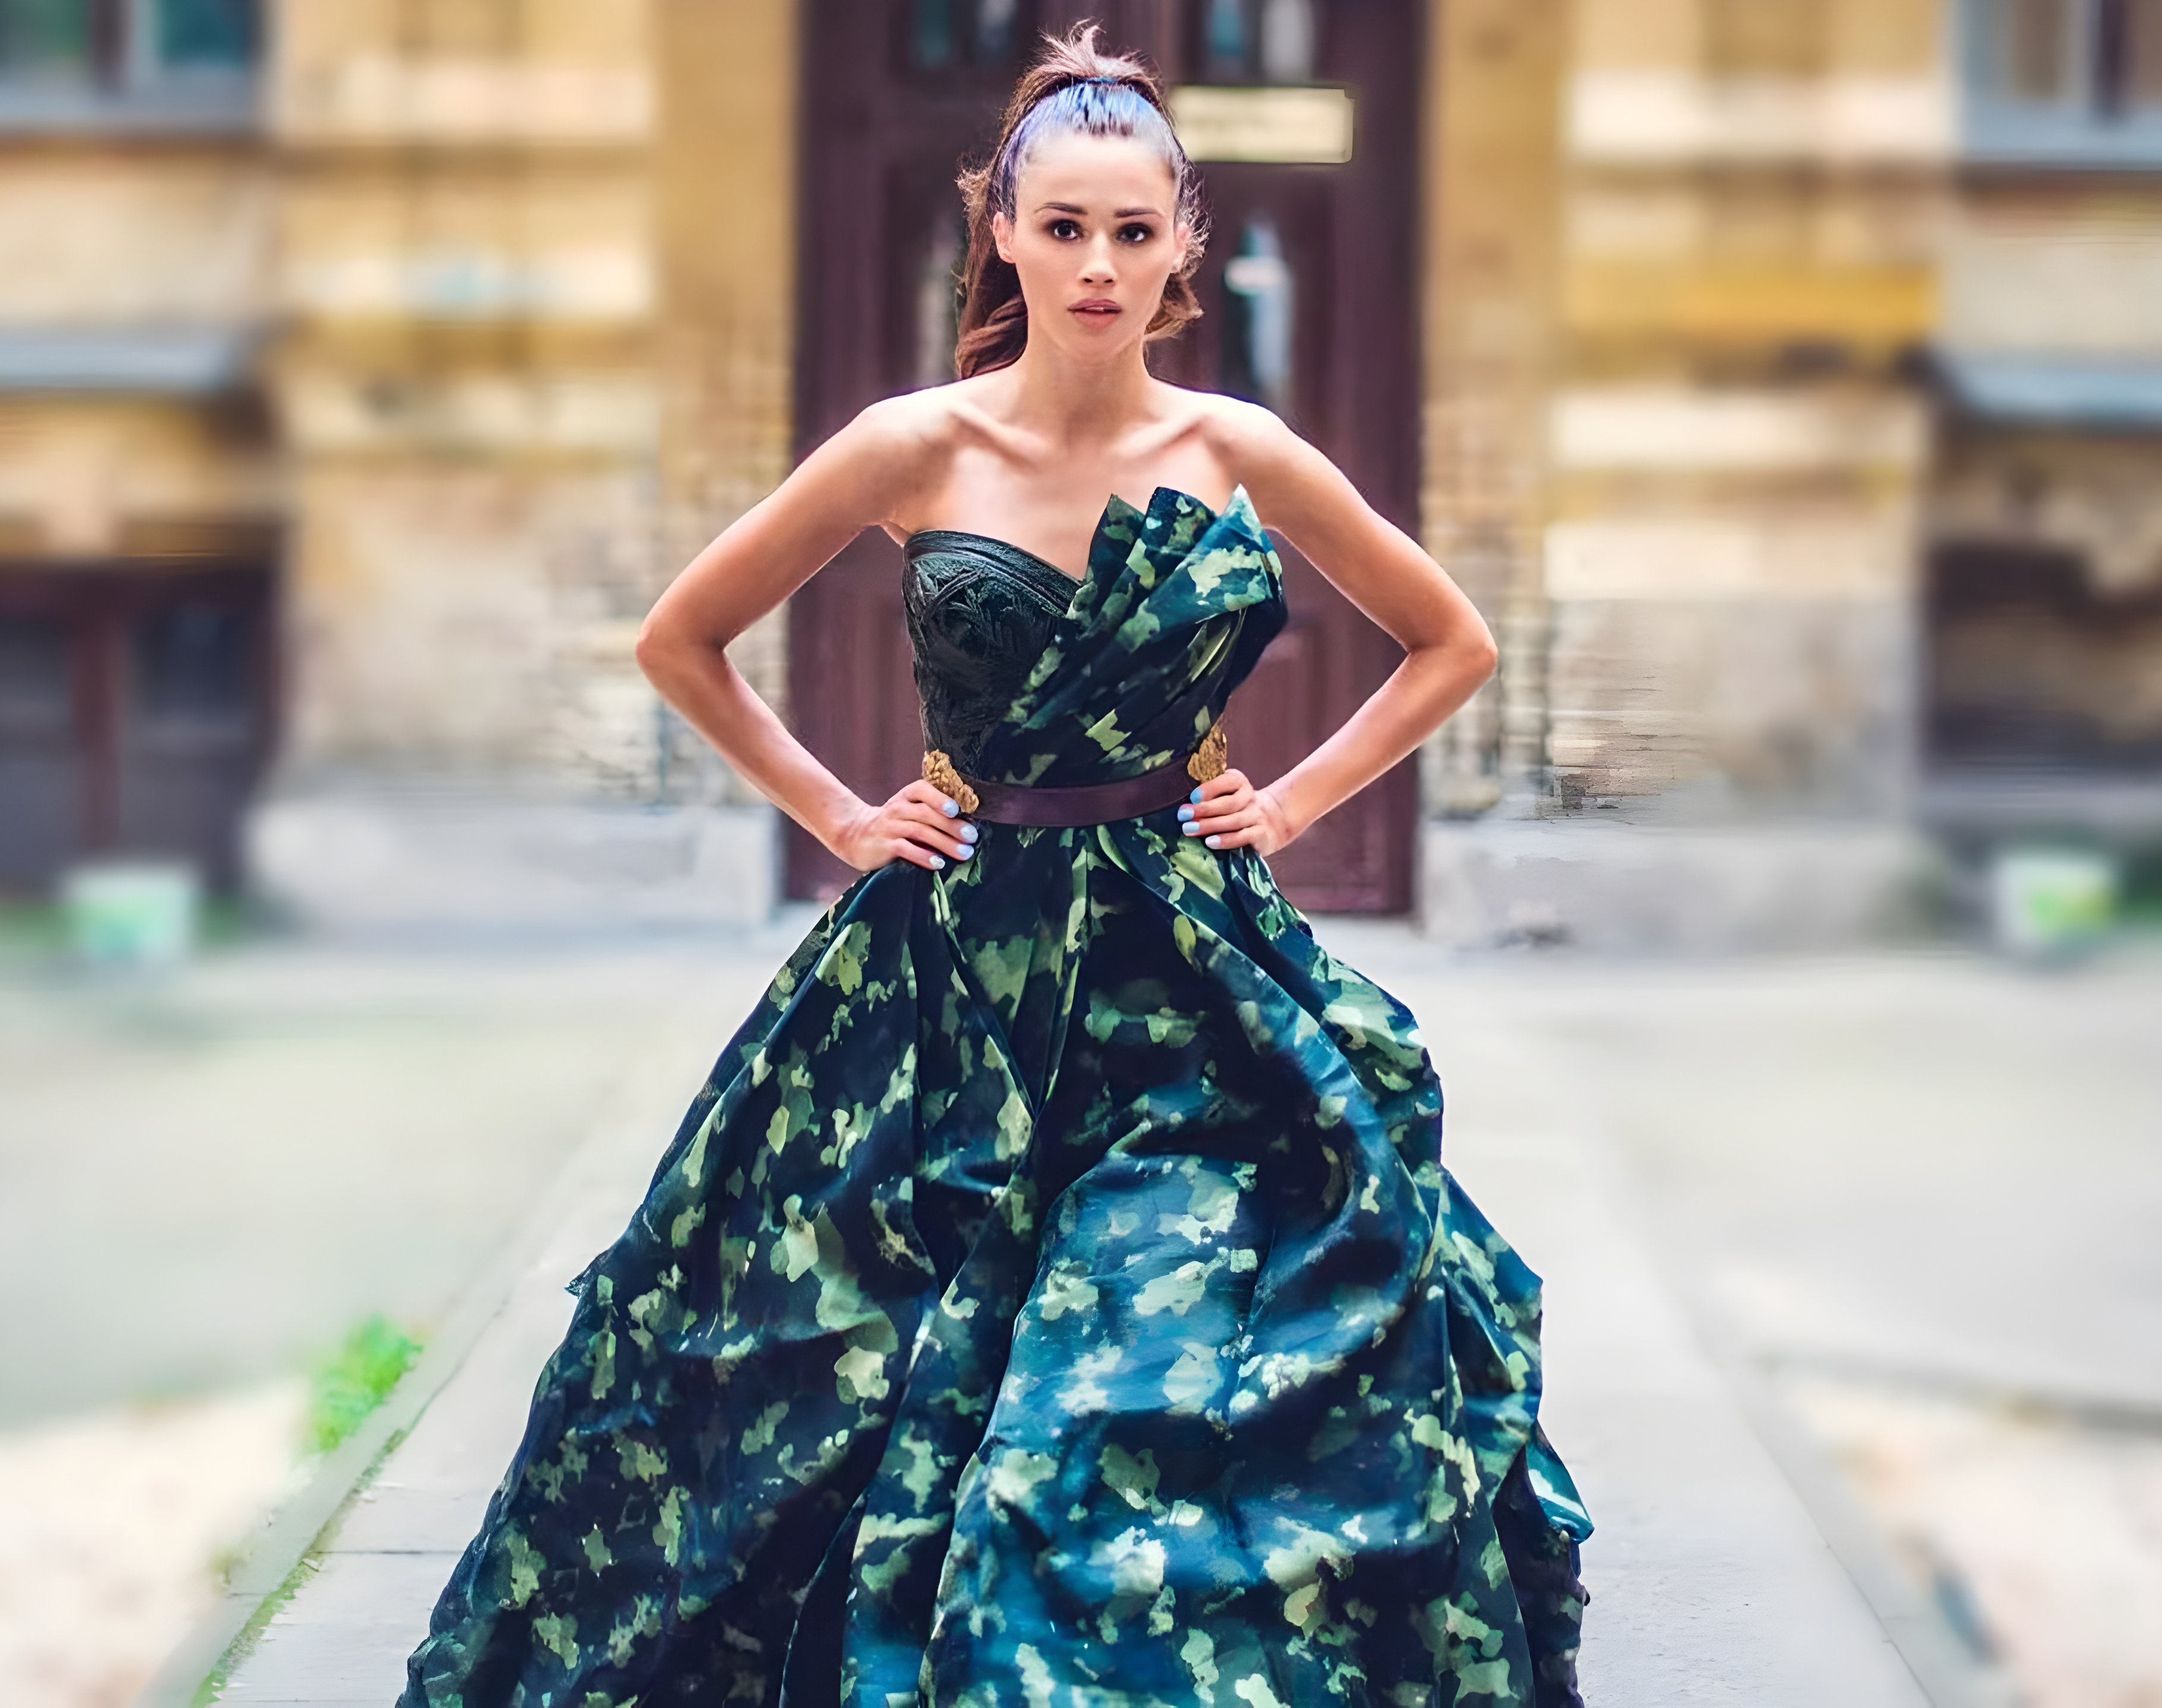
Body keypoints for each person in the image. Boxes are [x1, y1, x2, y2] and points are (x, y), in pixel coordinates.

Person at [400, 25, 1590, 1708]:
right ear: (1005, 233)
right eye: (1063, 227)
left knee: (1146, 1392)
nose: (1096, 265)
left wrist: (1300, 801)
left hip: (1188, 987)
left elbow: (1448, 641)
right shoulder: (914, 446)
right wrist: (835, 815)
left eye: (1130, 230)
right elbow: (684, 639)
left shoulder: (1237, 452)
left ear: (1183, 241)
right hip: (947, 976)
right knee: (808, 1371)